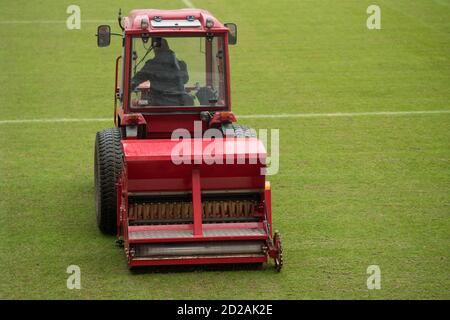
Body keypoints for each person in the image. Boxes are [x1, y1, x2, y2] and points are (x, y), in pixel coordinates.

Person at [131, 38, 193, 106]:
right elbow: (185, 80)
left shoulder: (151, 65)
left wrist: (126, 92)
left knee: (136, 102)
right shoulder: (181, 64)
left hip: (157, 105)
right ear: (168, 48)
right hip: (180, 103)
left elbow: (134, 82)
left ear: (155, 49)